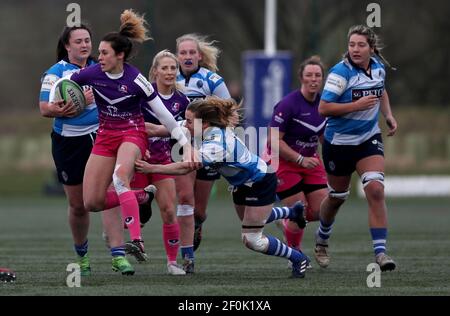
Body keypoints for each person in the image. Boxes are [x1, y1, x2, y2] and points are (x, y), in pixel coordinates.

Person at [63, 10, 189, 263]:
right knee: (92, 202)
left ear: (120, 55)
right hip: (105, 137)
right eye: (99, 52)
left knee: (120, 179)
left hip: (132, 134)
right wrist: (62, 98)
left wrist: (186, 144)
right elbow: (68, 82)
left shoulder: (136, 80)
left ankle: (137, 241)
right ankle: (143, 195)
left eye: (104, 53)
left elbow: (164, 115)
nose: (99, 57)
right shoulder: (92, 73)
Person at [135, 97, 310, 278]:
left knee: (252, 239)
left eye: (188, 121)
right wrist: (125, 127)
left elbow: (185, 166)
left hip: (260, 181)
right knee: (253, 221)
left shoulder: (217, 144)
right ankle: (292, 212)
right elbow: (156, 129)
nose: (184, 125)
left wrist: (152, 168)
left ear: (205, 124)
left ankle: (298, 258)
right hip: (241, 184)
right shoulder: (196, 126)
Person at [39, 24, 135, 275]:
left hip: (100, 135)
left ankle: (118, 254)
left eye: (87, 40)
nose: (84, 45)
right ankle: (82, 256)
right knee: (79, 205)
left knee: (112, 188)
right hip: (68, 142)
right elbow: (44, 107)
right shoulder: (55, 72)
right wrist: (67, 107)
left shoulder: (101, 65)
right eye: (78, 41)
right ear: (67, 46)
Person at [315, 25, 398, 271]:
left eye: (361, 45)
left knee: (375, 189)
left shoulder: (378, 68)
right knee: (337, 197)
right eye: (352, 45)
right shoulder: (340, 74)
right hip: (338, 144)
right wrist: (357, 105)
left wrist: (388, 116)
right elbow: (324, 108)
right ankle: (322, 239)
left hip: (367, 139)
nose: (355, 49)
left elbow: (381, 92)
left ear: (371, 48)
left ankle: (381, 254)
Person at [175, 34, 231, 271]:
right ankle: (187, 256)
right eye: (183, 53)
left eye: (191, 53)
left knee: (198, 209)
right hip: (178, 146)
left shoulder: (212, 80)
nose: (187, 57)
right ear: (177, 56)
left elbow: (229, 112)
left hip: (207, 148)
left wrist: (217, 137)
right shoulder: (169, 77)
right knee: (185, 200)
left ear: (199, 55)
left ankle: (197, 223)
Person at [268, 56, 328, 254]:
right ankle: (295, 253)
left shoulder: (325, 104)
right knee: (299, 210)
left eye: (317, 75)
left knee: (323, 211)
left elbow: (324, 137)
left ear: (322, 79)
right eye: (309, 75)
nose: (313, 79)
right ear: (301, 78)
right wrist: (299, 159)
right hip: (284, 162)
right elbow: (273, 141)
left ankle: (287, 220)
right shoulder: (287, 105)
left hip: (311, 161)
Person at [138, 49, 189, 275]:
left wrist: (159, 130)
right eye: (165, 68)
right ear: (155, 71)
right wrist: (169, 129)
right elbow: (137, 126)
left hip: (163, 161)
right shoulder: (142, 95)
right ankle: (125, 248)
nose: (169, 72)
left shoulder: (182, 101)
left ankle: (171, 263)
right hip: (137, 158)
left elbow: (185, 131)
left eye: (173, 68)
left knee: (169, 210)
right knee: (135, 206)